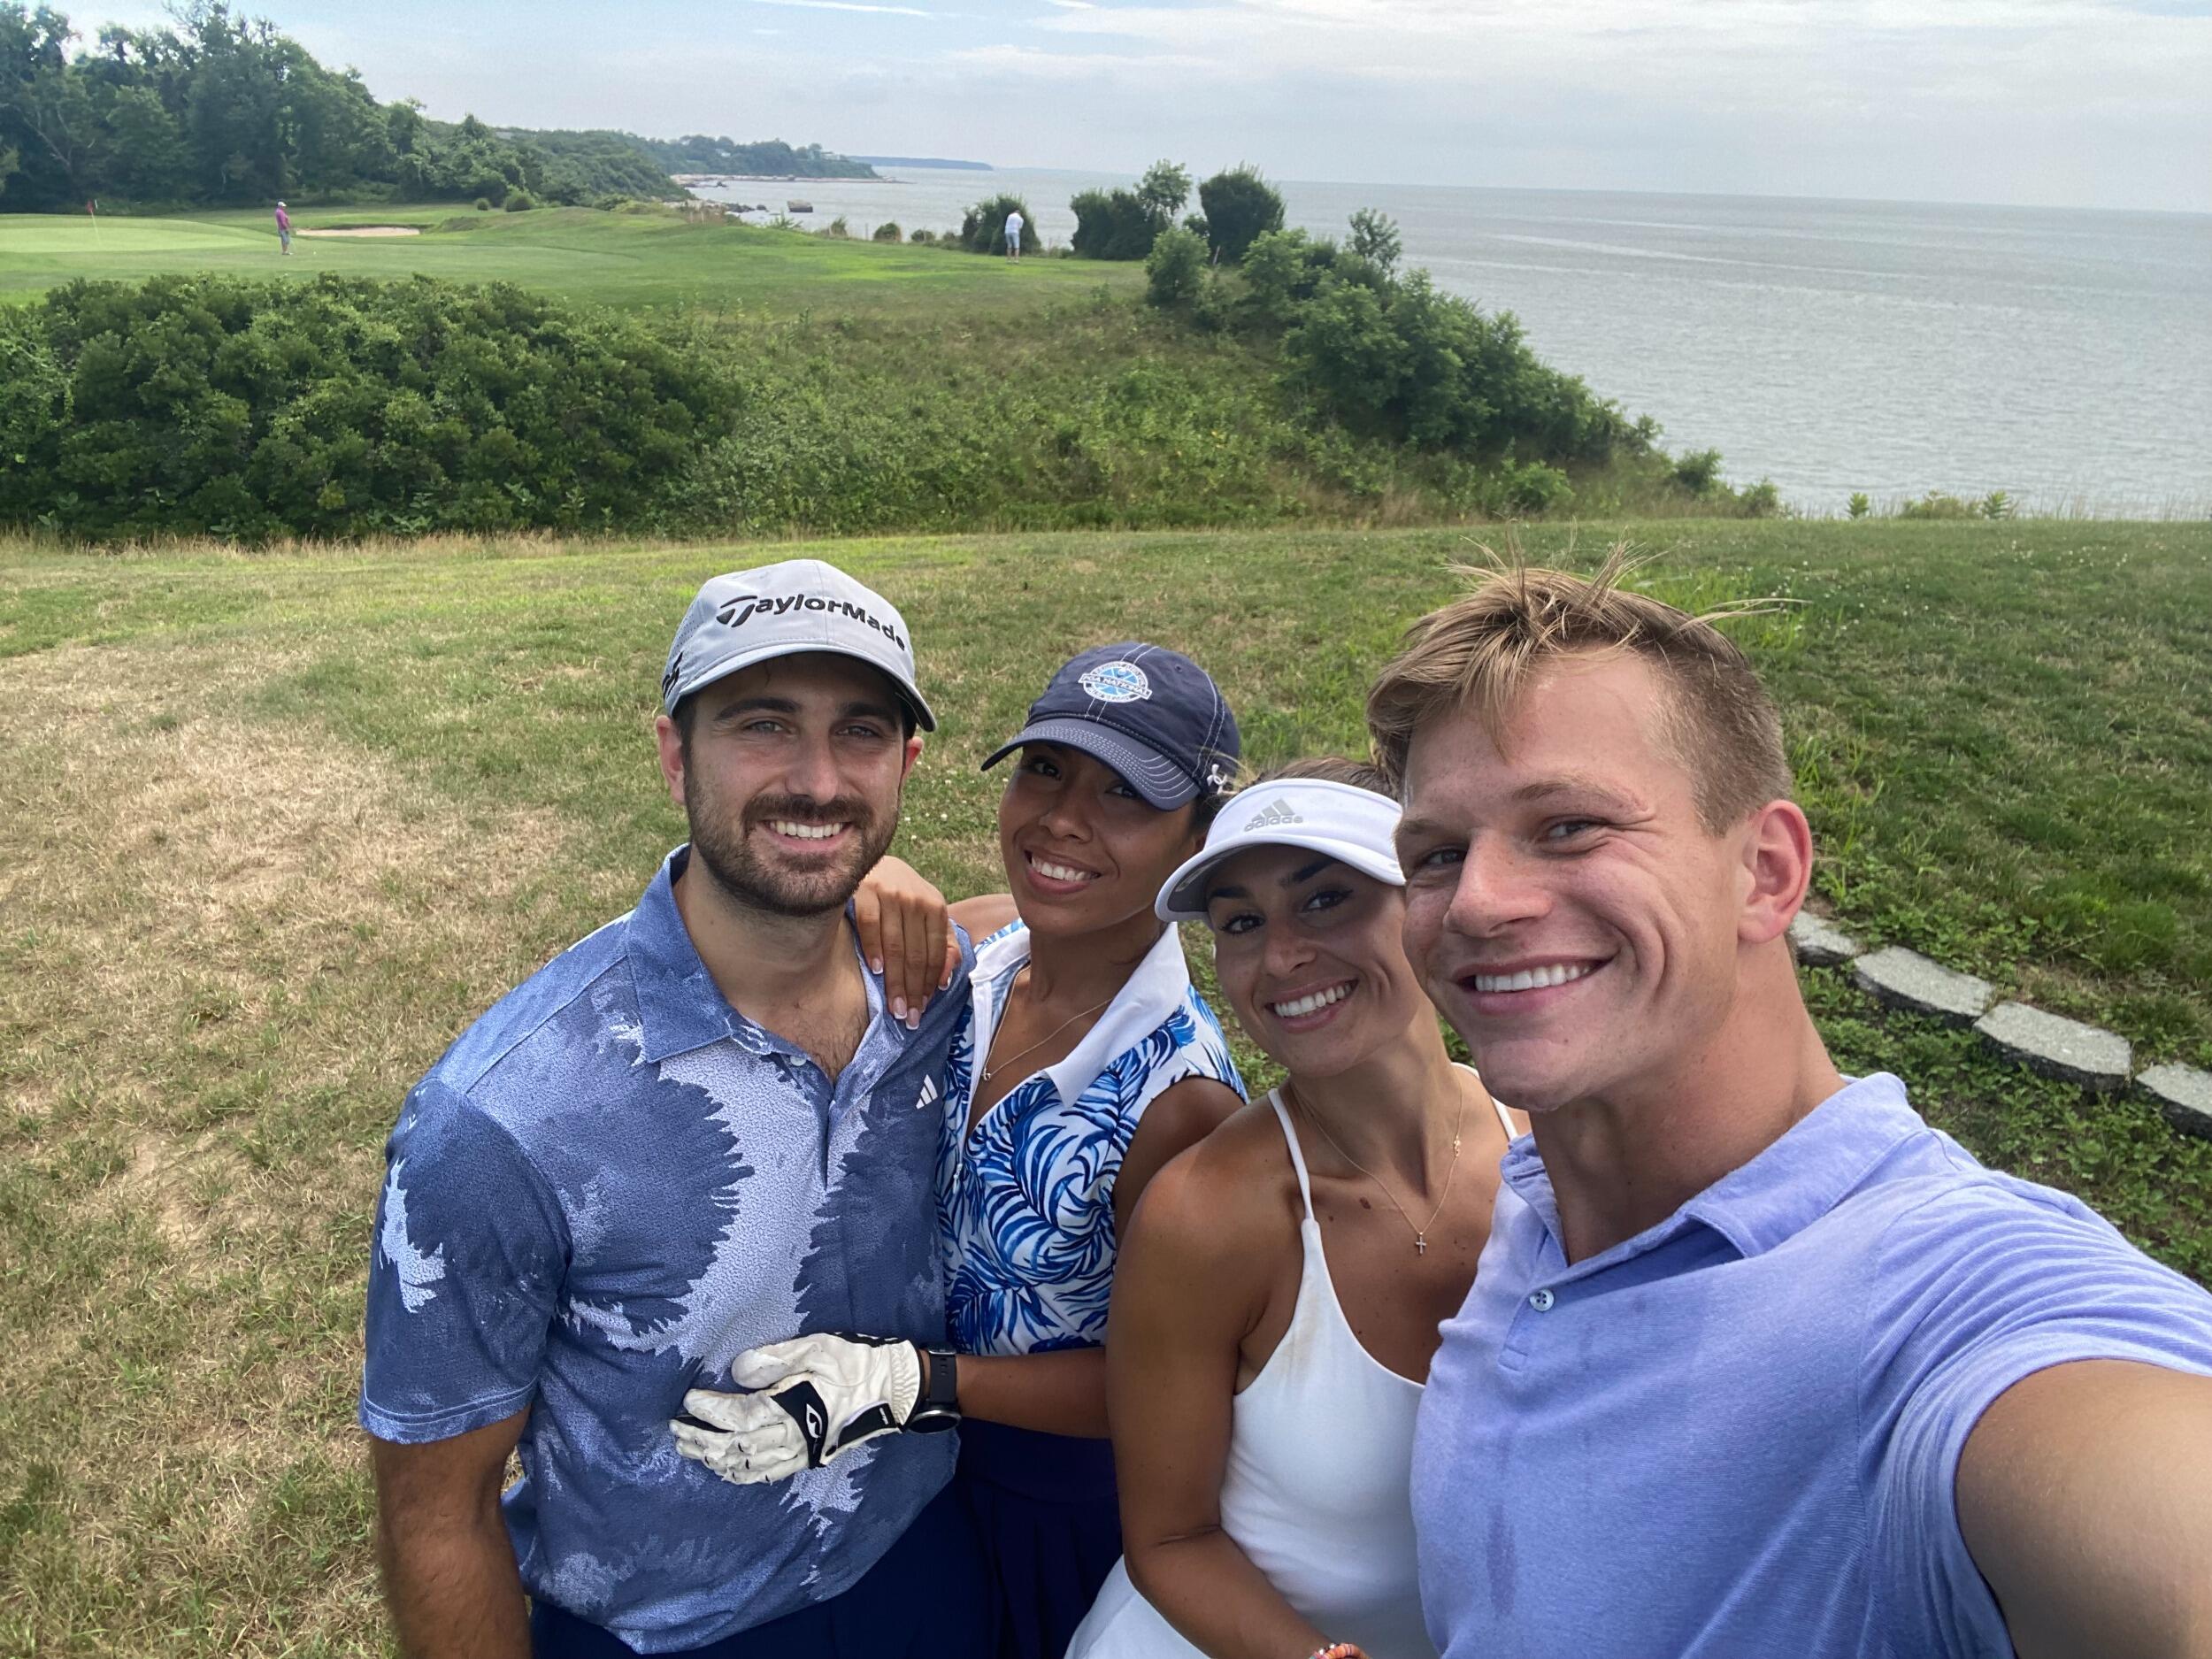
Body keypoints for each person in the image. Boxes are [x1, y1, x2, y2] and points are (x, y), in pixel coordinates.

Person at [1373, 557, 2212, 1658]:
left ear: (1765, 872)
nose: (1477, 901)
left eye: (1569, 826)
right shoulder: (1535, 1206)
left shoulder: (1949, 1306)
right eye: (1437, 853)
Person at [359, 559, 990, 1659]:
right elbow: (436, 1508)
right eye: (762, 725)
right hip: (666, 1630)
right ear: (671, 754)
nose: (817, 781)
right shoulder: (501, 1116)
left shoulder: (946, 999)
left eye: (860, 733)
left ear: (907, 765)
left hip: (924, 1560)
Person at [678, 642, 1249, 1659]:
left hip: (1057, 1502)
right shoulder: (983, 950)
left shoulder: (1177, 1099)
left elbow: (1163, 1389)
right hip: (919, 1473)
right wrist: (875, 873)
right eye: (1045, 770)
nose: (1063, 819)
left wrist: (918, 1383)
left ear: (1197, 842)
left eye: (1124, 795)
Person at [1069, 760, 1520, 1659]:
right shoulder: (1206, 1220)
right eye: (1241, 922)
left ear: (1428, 902)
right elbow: (1168, 1540)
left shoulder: (1548, 1148)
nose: (1279, 958)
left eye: (1324, 901)